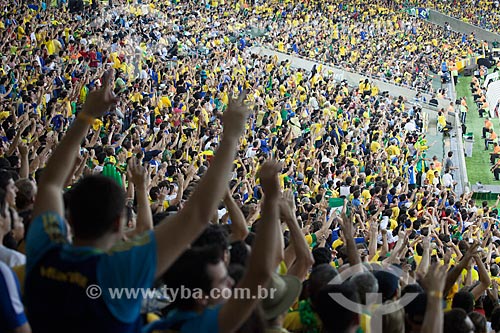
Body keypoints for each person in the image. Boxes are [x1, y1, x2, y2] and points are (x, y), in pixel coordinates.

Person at [24, 70, 252, 333]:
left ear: (69, 218)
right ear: (120, 224)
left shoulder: (45, 249)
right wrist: (232, 136)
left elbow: (51, 182)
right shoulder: (118, 271)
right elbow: (197, 215)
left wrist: (86, 116)